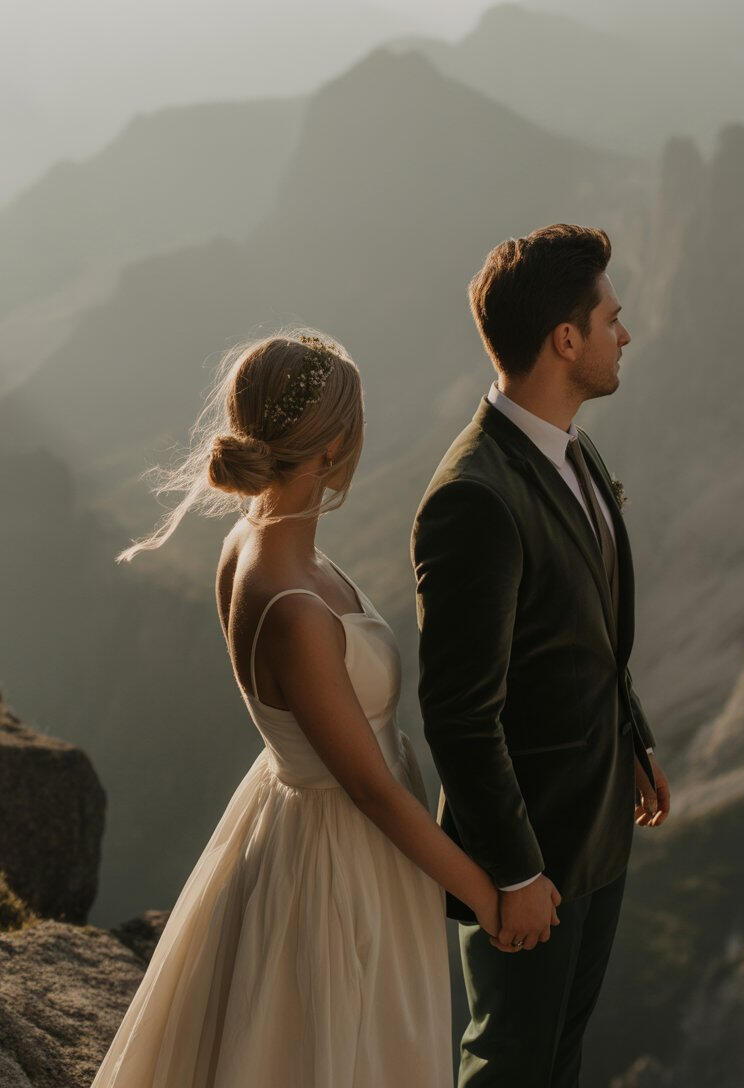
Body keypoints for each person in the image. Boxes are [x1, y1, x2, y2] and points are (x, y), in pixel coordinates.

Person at [93, 329, 509, 1088]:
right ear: (334, 446)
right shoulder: (296, 612)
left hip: (290, 814)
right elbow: (373, 792)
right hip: (340, 860)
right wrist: (489, 897)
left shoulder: (253, 543)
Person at [411, 225, 672, 1087]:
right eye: (612, 317)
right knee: (510, 1063)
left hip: (598, 824)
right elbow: (458, 712)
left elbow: (588, 624)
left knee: (560, 1058)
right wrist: (516, 869)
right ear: (567, 340)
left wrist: (631, 741)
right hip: (530, 855)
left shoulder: (576, 451)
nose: (624, 334)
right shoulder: (474, 499)